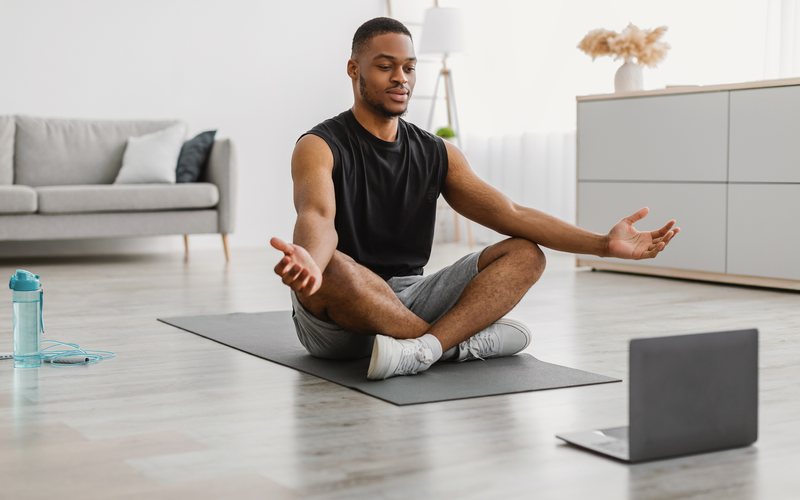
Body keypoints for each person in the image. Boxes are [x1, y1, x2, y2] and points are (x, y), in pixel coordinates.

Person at [271, 17, 679, 380]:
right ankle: (450, 344)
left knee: (525, 253)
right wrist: (310, 257)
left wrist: (604, 245)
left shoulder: (437, 152)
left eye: (409, 68)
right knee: (336, 265)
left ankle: (422, 350)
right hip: (340, 323)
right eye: (385, 66)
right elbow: (318, 216)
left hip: (410, 294)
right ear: (354, 69)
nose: (401, 78)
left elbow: (511, 214)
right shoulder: (319, 144)